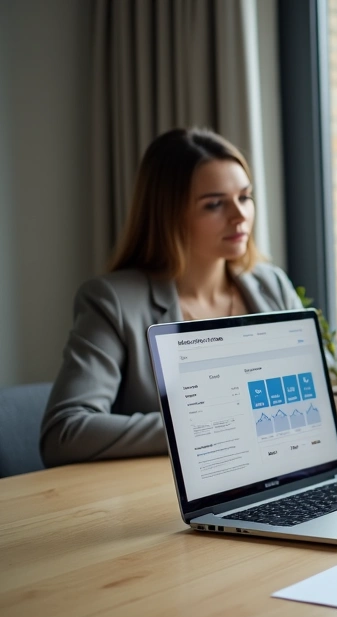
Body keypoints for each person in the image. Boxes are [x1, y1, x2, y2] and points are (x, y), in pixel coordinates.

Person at [41, 128, 303, 466]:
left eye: (245, 197)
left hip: (273, 469)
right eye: (214, 204)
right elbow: (64, 432)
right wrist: (207, 426)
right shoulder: (113, 302)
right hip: (158, 495)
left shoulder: (271, 286)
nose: (240, 216)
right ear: (169, 215)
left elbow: (328, 390)